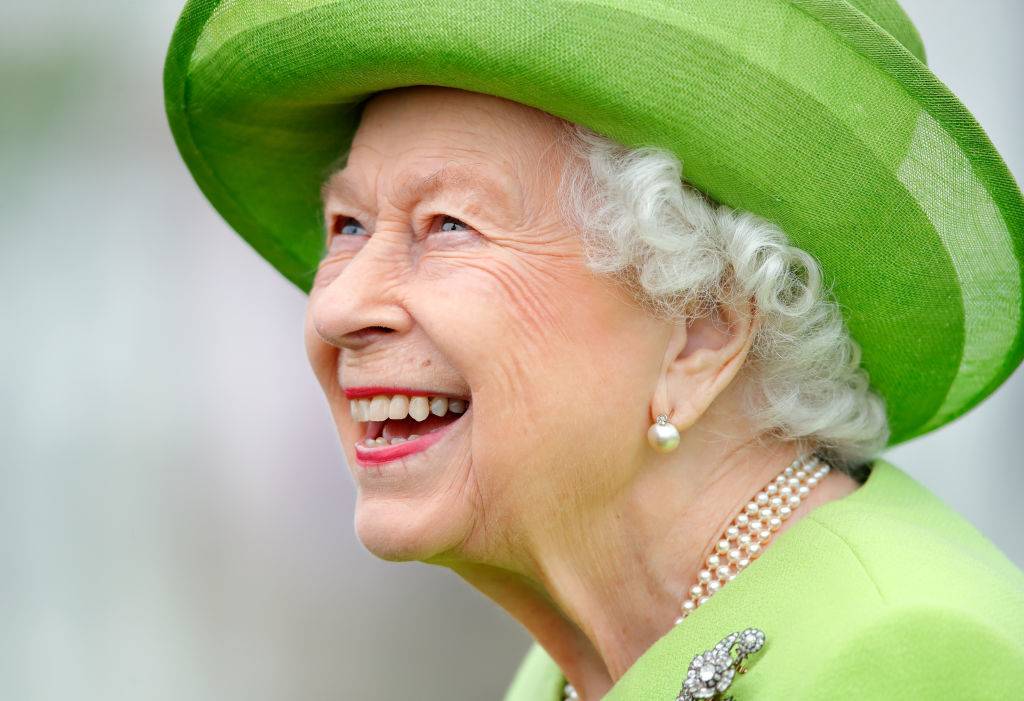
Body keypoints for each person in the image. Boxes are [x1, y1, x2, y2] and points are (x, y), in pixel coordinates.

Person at [164, 1, 1024, 698]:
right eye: (347, 226)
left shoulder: (903, 657)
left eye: (447, 226)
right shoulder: (576, 667)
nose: (340, 303)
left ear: (700, 329)